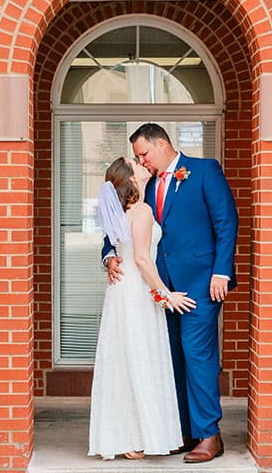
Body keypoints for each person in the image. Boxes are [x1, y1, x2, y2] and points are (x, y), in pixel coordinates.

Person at [105, 122, 238, 464]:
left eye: (144, 154)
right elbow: (118, 220)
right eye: (138, 157)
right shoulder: (143, 186)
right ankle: (181, 431)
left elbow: (226, 222)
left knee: (197, 355)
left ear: (161, 144)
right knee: (170, 359)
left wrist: (221, 270)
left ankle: (210, 435)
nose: (142, 161)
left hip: (200, 285)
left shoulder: (204, 171)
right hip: (157, 291)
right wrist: (109, 255)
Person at [88, 157, 196, 461]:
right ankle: (138, 437)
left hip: (120, 293)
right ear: (132, 180)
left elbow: (116, 247)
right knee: (140, 361)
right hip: (137, 292)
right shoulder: (143, 211)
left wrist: (112, 259)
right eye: (135, 164)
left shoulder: (121, 212)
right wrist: (167, 295)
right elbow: (142, 259)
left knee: (124, 362)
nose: (141, 163)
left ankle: (125, 438)